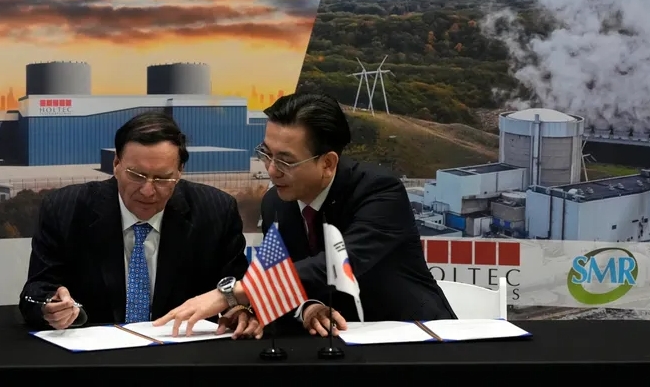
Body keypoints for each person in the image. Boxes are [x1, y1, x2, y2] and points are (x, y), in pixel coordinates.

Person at [154, 92, 456, 336]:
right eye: (266, 153)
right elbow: (284, 277)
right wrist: (305, 307)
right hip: (333, 344)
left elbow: (339, 264)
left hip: (415, 338)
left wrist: (231, 294)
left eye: (285, 161)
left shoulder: (379, 191)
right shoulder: (275, 203)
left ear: (328, 163)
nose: (271, 170)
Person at [19, 111, 262, 339]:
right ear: (116, 164)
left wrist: (240, 309)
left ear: (180, 172)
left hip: (182, 352)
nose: (147, 190)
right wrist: (49, 306)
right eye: (136, 175)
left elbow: (238, 287)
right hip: (94, 353)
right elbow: (36, 291)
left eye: (163, 178)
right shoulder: (66, 208)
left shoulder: (215, 211)